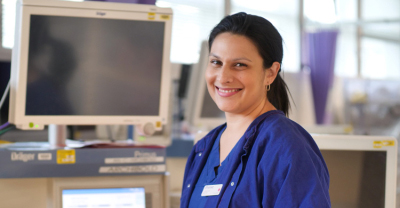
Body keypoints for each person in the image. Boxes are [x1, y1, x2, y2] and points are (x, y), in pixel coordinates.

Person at [180, 12, 331, 208]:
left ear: (270, 73)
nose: (223, 76)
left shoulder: (286, 146)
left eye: (239, 65)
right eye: (216, 62)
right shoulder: (203, 149)